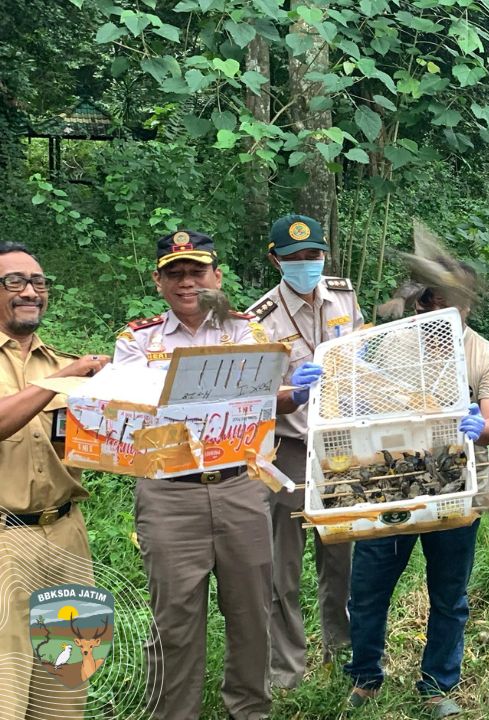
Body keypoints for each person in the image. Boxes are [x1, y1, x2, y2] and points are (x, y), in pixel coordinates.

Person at [114, 229, 308, 720]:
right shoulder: (137, 339)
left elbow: (266, 397)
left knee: (251, 614)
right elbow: (139, 412)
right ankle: (173, 713)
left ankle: (249, 711)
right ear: (158, 281)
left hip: (239, 485)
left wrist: (294, 394)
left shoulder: (246, 333)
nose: (187, 283)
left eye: (197, 271)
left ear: (217, 277)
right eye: (174, 273)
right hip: (168, 493)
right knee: (174, 619)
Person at [345, 272, 489, 718]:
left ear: (468, 305)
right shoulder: (390, 344)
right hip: (391, 483)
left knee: (449, 593)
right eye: (430, 304)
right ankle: (364, 676)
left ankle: (437, 686)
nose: (439, 313)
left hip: (459, 489)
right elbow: (353, 395)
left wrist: (484, 429)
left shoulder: (485, 356)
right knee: (369, 587)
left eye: (451, 304)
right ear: (419, 304)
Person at [248, 214, 362, 687]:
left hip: (339, 445)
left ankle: (344, 654)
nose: (306, 264)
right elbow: (252, 394)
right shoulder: (258, 319)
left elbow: (360, 353)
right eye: (295, 258)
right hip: (289, 447)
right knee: (284, 567)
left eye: (313, 255)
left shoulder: (345, 295)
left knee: (341, 559)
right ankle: (287, 671)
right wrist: (288, 389)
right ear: (275, 260)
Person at [0, 242, 108, 720]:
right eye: (15, 282)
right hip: (5, 543)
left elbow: (100, 445)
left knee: (66, 686)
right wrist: (64, 380)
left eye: (39, 282)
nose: (31, 291)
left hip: (67, 537)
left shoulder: (59, 361)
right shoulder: (63, 371)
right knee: (6, 687)